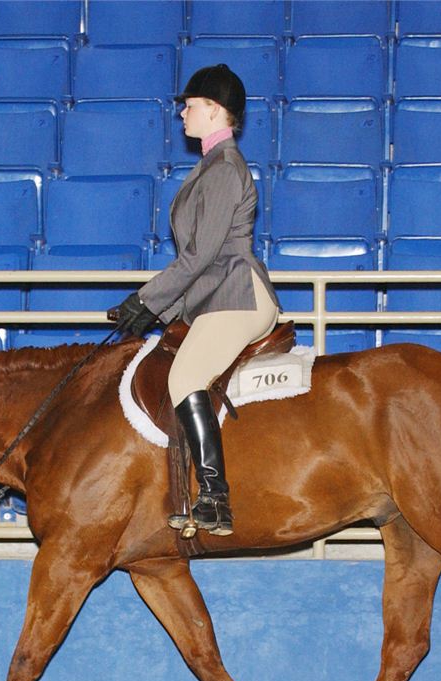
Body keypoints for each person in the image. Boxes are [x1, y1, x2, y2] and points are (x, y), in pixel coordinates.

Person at [109, 64, 280, 537]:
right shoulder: (209, 166)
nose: (182, 111)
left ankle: (215, 496)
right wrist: (151, 306)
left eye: (190, 104)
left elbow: (202, 254)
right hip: (214, 295)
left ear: (214, 111)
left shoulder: (224, 169)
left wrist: (146, 300)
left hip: (236, 294)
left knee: (185, 375)